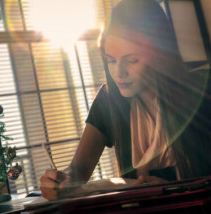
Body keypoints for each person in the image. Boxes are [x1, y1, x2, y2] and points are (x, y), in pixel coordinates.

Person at [40, 0, 211, 200]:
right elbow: (79, 168)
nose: (118, 73)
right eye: (111, 61)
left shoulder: (200, 90)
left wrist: (178, 190)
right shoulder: (109, 99)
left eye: (132, 60)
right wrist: (61, 180)